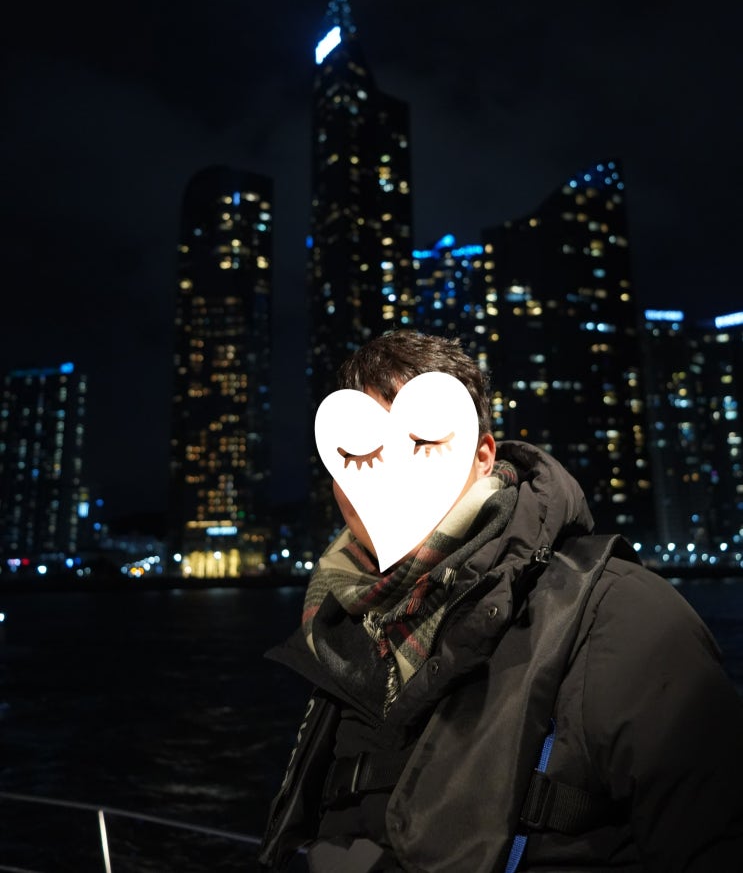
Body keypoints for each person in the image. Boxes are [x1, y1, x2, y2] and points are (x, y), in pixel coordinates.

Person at [258, 329, 743, 873]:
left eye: (423, 443)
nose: (392, 473)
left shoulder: (623, 617)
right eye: (362, 452)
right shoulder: (341, 631)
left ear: (483, 455)